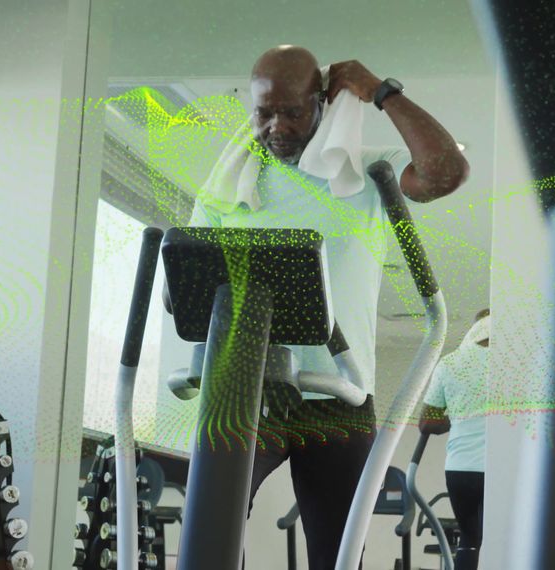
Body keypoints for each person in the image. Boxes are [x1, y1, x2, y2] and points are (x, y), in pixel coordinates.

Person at [189, 45, 469, 570]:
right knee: (209, 538)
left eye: (292, 112)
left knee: (338, 555)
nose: (276, 126)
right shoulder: (225, 186)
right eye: (263, 112)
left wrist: (382, 92)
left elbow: (446, 172)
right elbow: (186, 285)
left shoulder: (362, 178)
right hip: (246, 386)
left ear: (321, 104)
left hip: (339, 392)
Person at [419, 308, 490, 570]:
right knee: (504, 539)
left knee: (470, 539)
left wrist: (460, 418)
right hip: (501, 471)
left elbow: (427, 423)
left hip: (460, 469)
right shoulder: (517, 361)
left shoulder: (451, 362)